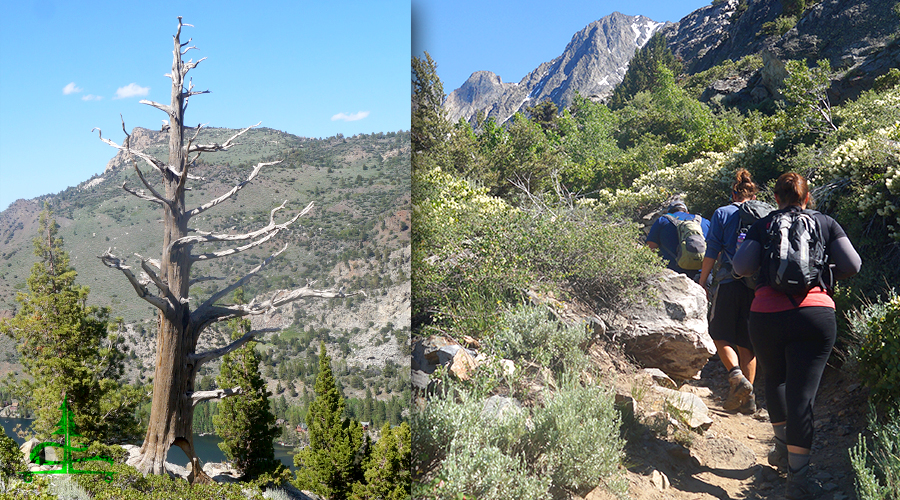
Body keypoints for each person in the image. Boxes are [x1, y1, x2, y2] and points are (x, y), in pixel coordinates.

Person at [733, 172, 861, 500]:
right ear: (807, 198)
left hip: (766, 315)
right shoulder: (826, 222)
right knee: (802, 396)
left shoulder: (764, 224)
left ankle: (779, 448)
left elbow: (741, 266)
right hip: (815, 314)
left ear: (775, 199)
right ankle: (799, 478)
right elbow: (854, 264)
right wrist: (826, 276)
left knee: (775, 378)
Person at [698, 169, 760, 414]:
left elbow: (712, 250)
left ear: (733, 193)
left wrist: (702, 283)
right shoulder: (763, 215)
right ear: (753, 196)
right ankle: (749, 399)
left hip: (728, 282)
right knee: (748, 343)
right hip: (757, 286)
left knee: (719, 333)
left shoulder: (722, 213)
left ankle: (736, 377)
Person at [646, 199, 710, 280]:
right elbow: (714, 249)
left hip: (673, 276)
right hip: (701, 275)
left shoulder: (662, 221)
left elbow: (650, 249)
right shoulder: (704, 222)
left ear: (669, 212)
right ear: (687, 212)